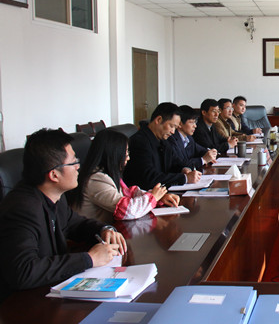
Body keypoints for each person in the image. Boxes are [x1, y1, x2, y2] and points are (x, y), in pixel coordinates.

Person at [0, 129, 127, 301]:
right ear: (54, 175)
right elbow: (23, 271)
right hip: (22, 304)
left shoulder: (54, 197)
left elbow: (77, 224)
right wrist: (89, 259)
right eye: (73, 162)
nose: (78, 167)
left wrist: (105, 229)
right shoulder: (22, 208)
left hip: (51, 291)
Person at [69, 129, 180, 223]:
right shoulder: (96, 179)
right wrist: (153, 198)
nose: (128, 158)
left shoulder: (107, 174)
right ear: (113, 154)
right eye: (125, 153)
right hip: (91, 238)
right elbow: (127, 210)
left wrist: (157, 197)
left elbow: (128, 193)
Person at [123, 102, 202, 190]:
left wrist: (184, 169)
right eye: (171, 126)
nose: (173, 132)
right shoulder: (139, 142)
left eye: (175, 128)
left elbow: (176, 162)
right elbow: (149, 178)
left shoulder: (163, 141)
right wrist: (185, 178)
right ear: (159, 120)